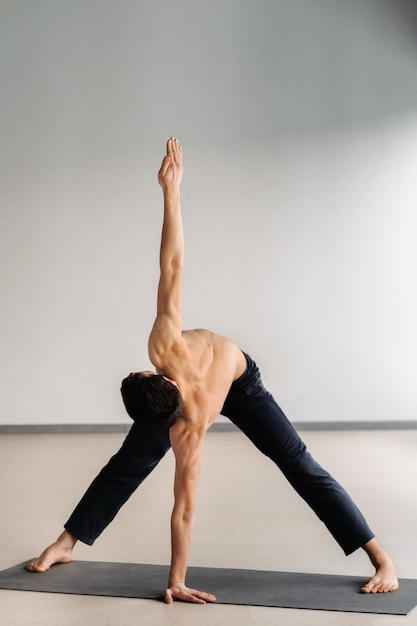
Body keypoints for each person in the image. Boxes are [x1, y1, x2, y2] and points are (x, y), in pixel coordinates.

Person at [27, 138, 399, 602]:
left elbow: (174, 265)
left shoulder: (182, 405)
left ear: (165, 383)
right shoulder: (170, 369)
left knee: (297, 462)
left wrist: (171, 192)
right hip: (207, 384)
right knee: (129, 462)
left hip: (241, 384)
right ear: (158, 381)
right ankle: (67, 543)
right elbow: (173, 267)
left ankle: (381, 557)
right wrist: (171, 191)